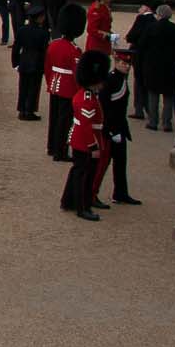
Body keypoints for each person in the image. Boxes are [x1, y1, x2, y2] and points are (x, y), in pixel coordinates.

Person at [61, 49, 109, 221]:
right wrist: (94, 146)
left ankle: (69, 201)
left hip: (80, 138)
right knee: (85, 175)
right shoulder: (87, 99)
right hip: (85, 140)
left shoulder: (86, 94)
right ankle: (83, 207)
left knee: (78, 171)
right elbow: (88, 126)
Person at [97, 47, 140, 206]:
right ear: (116, 62)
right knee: (103, 164)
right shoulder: (111, 80)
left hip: (119, 127)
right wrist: (110, 130)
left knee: (121, 163)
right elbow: (105, 107)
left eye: (128, 63)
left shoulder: (120, 79)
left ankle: (120, 192)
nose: (126, 66)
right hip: (111, 128)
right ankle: (93, 193)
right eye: (123, 63)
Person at [140, 4, 175, 135]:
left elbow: (142, 45)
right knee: (169, 96)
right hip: (170, 66)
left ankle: (153, 121)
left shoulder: (151, 27)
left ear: (159, 14)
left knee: (153, 94)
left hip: (153, 65)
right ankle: (167, 122)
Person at [45, 8, 83, 162]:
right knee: (65, 121)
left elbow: (47, 67)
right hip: (68, 88)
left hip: (54, 84)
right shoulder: (74, 50)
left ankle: (52, 146)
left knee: (54, 118)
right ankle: (60, 151)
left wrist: (50, 83)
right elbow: (76, 74)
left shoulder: (54, 45)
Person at [12, 2, 50, 121]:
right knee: (34, 88)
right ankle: (30, 110)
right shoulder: (43, 33)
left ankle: (22, 110)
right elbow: (45, 51)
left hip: (24, 61)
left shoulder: (22, 30)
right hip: (36, 62)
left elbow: (16, 48)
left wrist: (15, 63)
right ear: (38, 18)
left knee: (23, 86)